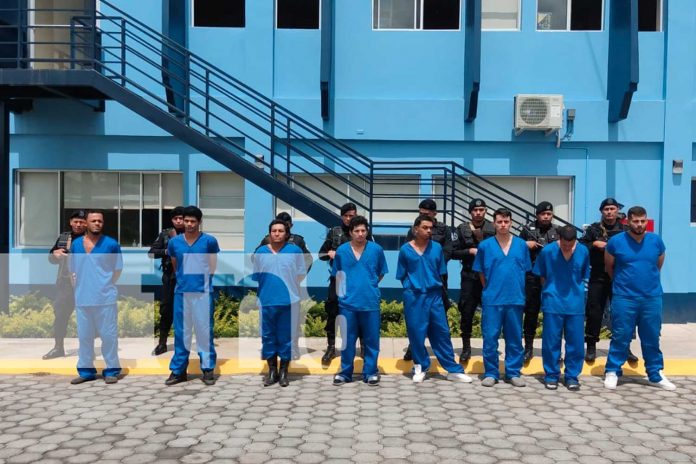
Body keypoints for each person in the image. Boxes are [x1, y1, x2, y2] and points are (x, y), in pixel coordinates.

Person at [603, 206, 676, 391]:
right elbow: (609, 267)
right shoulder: (616, 242)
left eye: (643, 221)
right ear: (628, 221)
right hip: (624, 297)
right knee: (621, 335)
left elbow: (657, 264)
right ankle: (612, 371)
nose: (640, 224)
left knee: (652, 336)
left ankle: (655, 373)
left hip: (651, 297)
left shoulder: (656, 241)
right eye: (636, 221)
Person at [396, 215, 472, 384]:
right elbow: (402, 274)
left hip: (434, 295)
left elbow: (441, 271)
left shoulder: (436, 248)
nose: (429, 230)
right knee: (416, 333)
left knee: (442, 333)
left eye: (431, 228)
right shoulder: (405, 250)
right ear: (416, 229)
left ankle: (453, 370)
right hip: (414, 297)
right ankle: (421, 367)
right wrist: (411, 287)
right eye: (425, 227)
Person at [473, 208, 531, 387]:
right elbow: (481, 272)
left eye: (506, 222)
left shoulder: (521, 245)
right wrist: (490, 289)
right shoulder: (485, 246)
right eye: (499, 222)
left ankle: (513, 372)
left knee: (514, 337)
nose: (503, 225)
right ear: (494, 223)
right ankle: (491, 372)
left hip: (515, 298)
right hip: (492, 299)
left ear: (511, 223)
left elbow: (525, 270)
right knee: (490, 337)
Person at [165, 206, 220, 386]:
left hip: (203, 293)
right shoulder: (174, 243)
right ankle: (179, 370)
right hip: (182, 293)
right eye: (186, 221)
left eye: (192, 221)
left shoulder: (209, 241)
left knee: (204, 331)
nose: (188, 224)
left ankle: (207, 369)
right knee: (181, 333)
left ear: (199, 222)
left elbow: (212, 266)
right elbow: (176, 265)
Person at [580, 198, 638, 363]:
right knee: (594, 311)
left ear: (617, 210)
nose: (609, 212)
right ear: (602, 211)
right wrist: (594, 244)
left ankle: (625, 347)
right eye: (606, 209)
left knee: (623, 313)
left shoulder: (626, 229)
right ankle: (591, 346)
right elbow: (580, 246)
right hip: (598, 276)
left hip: (621, 277)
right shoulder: (593, 229)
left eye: (612, 209)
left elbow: (635, 247)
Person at [332, 216, 388, 386]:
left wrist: (369, 285)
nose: (360, 234)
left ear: (367, 232)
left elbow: (381, 273)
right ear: (350, 232)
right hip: (348, 304)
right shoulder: (342, 251)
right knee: (347, 340)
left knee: (371, 339)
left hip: (370, 302)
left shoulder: (376, 249)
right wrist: (345, 295)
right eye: (356, 231)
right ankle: (345, 372)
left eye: (363, 230)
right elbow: (338, 275)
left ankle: (370, 372)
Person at [532, 225, 590, 391]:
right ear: (559, 239)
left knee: (576, 342)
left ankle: (572, 376)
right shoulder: (548, 251)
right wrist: (550, 291)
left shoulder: (583, 251)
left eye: (570, 245)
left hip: (575, 303)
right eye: (564, 244)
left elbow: (583, 274)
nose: (567, 247)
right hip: (553, 301)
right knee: (551, 341)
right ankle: (551, 375)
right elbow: (542, 275)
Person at [69, 210, 123, 385]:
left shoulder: (111, 244)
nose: (97, 223)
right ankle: (86, 371)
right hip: (82, 298)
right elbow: (72, 269)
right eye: (93, 221)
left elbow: (117, 270)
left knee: (108, 336)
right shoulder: (76, 244)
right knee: (84, 336)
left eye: (100, 221)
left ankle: (112, 370)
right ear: (86, 223)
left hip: (105, 298)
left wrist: (105, 285)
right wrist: (77, 288)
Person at [253, 219, 306, 387]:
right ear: (269, 233)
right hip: (267, 301)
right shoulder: (260, 252)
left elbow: (300, 275)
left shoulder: (295, 250)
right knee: (268, 336)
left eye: (280, 231)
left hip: (289, 301)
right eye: (274, 231)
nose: (277, 234)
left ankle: (284, 372)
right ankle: (272, 371)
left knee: (286, 337)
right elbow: (258, 276)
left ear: (286, 233)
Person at [403, 198, 454, 361]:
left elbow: (447, 250)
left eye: (426, 213)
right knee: (416, 317)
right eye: (421, 213)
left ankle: (444, 351)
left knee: (440, 314)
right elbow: (408, 253)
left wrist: (432, 264)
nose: (423, 215)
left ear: (434, 214)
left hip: (437, 276)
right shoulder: (415, 229)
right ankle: (414, 347)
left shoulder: (444, 229)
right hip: (418, 279)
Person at [257, 212, 313, 359]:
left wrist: (295, 280)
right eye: (274, 230)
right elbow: (256, 263)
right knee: (268, 330)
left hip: (290, 291)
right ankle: (271, 356)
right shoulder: (265, 242)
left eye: (283, 228)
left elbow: (307, 260)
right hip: (269, 293)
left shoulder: (298, 242)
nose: (277, 233)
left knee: (291, 326)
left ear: (290, 227)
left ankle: (292, 350)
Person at [318, 202, 364, 365]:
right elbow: (320, 254)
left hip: (358, 280)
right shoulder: (334, 232)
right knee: (332, 312)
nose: (349, 218)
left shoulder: (362, 231)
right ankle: (331, 347)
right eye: (347, 216)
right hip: (337, 279)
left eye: (352, 215)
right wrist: (329, 253)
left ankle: (363, 346)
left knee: (360, 312)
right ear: (342, 216)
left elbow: (370, 251)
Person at [451, 198, 495, 363]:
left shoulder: (494, 228)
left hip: (490, 276)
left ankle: (489, 347)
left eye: (481, 210)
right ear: (470, 212)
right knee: (467, 311)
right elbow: (453, 253)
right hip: (469, 275)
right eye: (475, 210)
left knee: (491, 313)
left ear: (485, 211)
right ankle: (466, 348)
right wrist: (469, 251)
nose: (478, 213)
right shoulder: (461, 229)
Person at [43, 210, 86, 360]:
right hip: (66, 283)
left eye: (82, 222)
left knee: (87, 317)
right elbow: (51, 257)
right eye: (76, 221)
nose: (79, 224)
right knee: (60, 315)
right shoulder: (64, 237)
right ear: (71, 222)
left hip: (85, 284)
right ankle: (58, 347)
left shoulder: (92, 238)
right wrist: (55, 255)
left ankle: (87, 350)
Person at [519, 201, 559, 363]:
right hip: (532, 276)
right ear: (537, 215)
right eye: (543, 214)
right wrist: (525, 244)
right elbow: (516, 249)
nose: (546, 216)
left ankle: (553, 348)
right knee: (531, 312)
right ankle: (528, 347)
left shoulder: (558, 231)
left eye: (549, 214)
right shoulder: (527, 230)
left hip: (552, 277)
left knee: (553, 313)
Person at [147, 206, 185, 355]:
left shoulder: (192, 234)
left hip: (188, 277)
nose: (179, 221)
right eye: (176, 218)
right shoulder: (166, 234)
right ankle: (162, 343)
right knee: (166, 309)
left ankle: (182, 343)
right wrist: (166, 251)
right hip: (170, 277)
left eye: (181, 218)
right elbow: (151, 253)